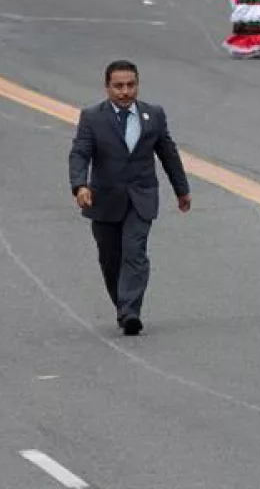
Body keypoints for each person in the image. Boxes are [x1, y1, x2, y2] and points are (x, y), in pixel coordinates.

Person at [69, 60, 192, 336]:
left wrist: (181, 190)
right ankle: (122, 305)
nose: (125, 92)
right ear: (107, 87)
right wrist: (80, 185)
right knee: (110, 258)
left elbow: (168, 153)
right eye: (118, 86)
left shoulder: (154, 115)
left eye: (131, 85)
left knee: (135, 253)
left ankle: (131, 312)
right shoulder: (92, 117)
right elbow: (80, 153)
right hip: (104, 200)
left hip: (141, 197)